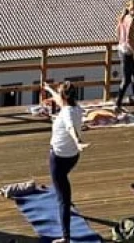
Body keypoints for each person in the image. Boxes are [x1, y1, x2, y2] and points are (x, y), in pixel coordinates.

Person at [44, 81, 88, 243]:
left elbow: (70, 128)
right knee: (63, 184)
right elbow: (59, 100)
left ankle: (66, 237)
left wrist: (78, 141)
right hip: (73, 157)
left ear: (64, 97)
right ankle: (66, 196)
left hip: (59, 158)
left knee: (62, 198)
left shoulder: (67, 113)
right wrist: (49, 89)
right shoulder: (76, 108)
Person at [114, 0, 134, 115]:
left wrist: (121, 42)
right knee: (127, 80)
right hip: (127, 52)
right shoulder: (131, 20)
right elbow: (129, 40)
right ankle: (117, 105)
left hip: (123, 50)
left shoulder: (123, 17)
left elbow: (117, 31)